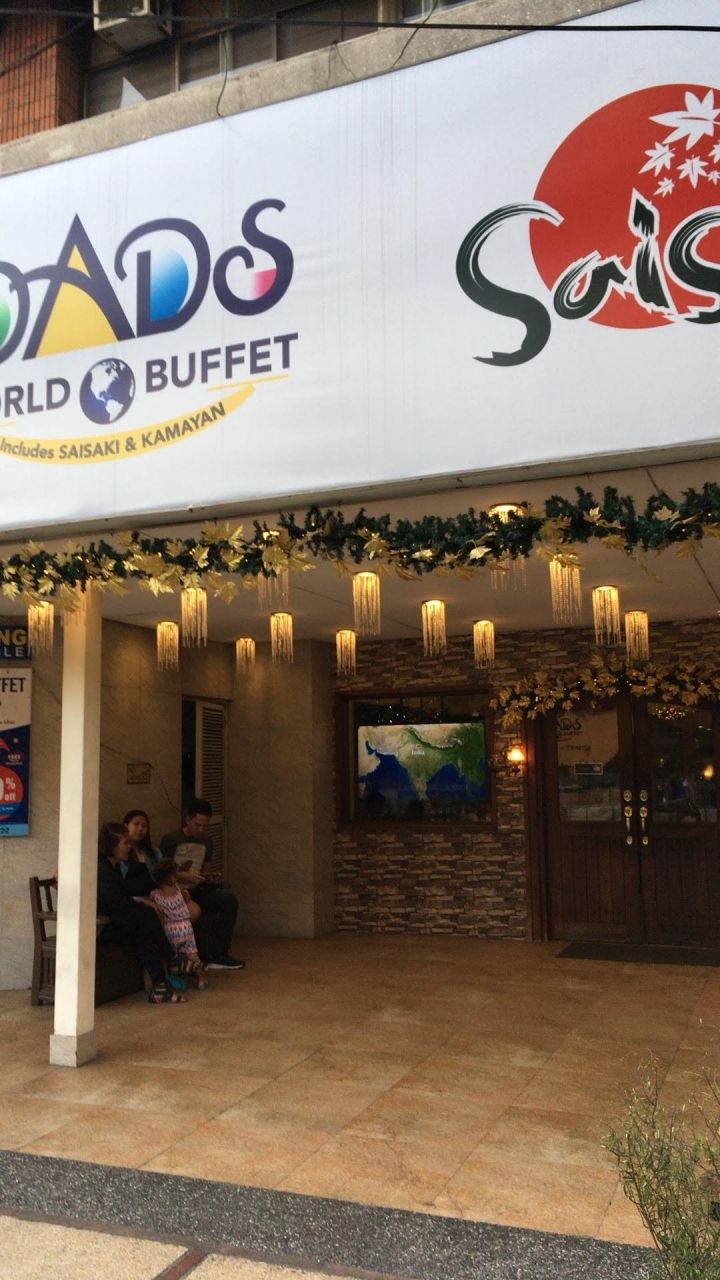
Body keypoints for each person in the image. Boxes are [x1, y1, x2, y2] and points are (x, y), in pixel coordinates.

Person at [96, 822, 186, 1004]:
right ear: (111, 845)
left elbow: (121, 901)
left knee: (143, 931)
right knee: (146, 914)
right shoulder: (102, 869)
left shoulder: (113, 866)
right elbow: (117, 904)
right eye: (125, 843)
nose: (129, 847)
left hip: (115, 920)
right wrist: (142, 905)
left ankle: (160, 986)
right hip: (100, 927)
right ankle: (171, 958)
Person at [159, 799, 245, 970]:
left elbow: (205, 869)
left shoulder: (207, 842)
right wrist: (183, 875)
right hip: (175, 890)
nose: (201, 830)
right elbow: (162, 873)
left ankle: (219, 955)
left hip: (197, 889)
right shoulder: (171, 839)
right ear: (188, 819)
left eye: (205, 826)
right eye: (197, 825)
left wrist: (208, 878)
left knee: (229, 901)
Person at [151, 859, 208, 990]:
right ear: (173, 877)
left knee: (167, 956)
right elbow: (187, 898)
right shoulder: (178, 889)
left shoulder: (155, 894)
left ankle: (167, 976)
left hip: (170, 928)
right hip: (185, 926)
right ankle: (201, 980)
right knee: (192, 953)